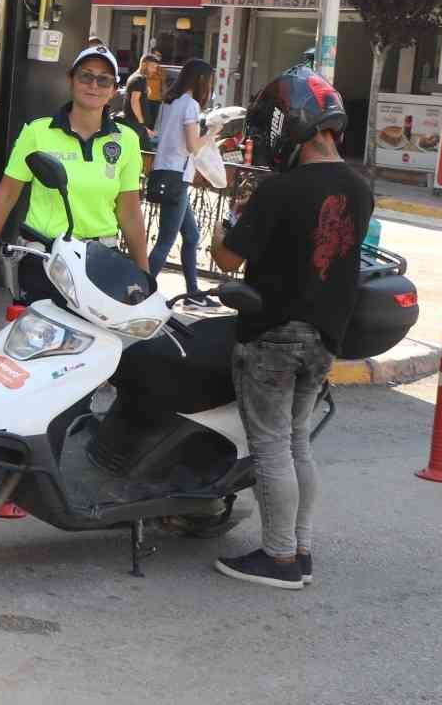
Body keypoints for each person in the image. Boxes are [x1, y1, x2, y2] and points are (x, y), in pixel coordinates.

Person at [210, 67, 371, 591]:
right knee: (299, 441)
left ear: (290, 126)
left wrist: (221, 230)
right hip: (325, 337)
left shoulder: (281, 190)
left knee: (273, 446)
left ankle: (278, 558)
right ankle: (299, 549)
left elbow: (230, 259)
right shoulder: (359, 186)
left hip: (275, 333)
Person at [0, 44, 150, 303]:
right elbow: (6, 197)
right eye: (85, 76)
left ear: (113, 90)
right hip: (45, 260)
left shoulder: (127, 140)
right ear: (71, 80)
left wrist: (144, 277)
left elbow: (130, 212)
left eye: (103, 80)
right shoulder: (37, 132)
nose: (93, 85)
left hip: (100, 263)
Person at [146, 59, 214, 297]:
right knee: (165, 241)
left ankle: (193, 291)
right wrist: (213, 133)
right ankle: (140, 291)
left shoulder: (168, 102)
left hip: (163, 171)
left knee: (192, 236)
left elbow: (160, 136)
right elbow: (194, 147)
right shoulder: (191, 106)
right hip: (178, 176)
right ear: (202, 81)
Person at [120, 53, 161, 149]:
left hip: (136, 124)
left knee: (144, 152)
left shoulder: (138, 78)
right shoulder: (138, 79)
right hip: (135, 124)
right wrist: (142, 124)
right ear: (143, 64)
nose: (154, 70)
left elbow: (137, 99)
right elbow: (134, 102)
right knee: (144, 152)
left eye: (155, 67)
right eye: (152, 67)